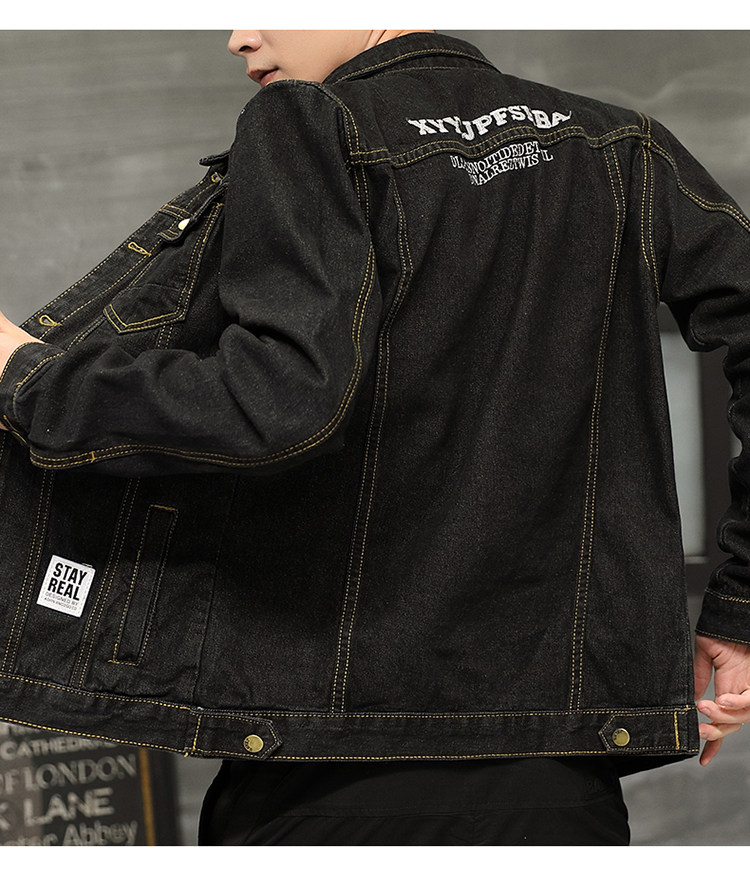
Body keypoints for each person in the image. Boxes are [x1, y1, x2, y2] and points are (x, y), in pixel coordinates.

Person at [0, 29, 748, 846]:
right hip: (562, 781)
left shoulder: (309, 123)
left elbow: (279, 399)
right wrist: (738, 612)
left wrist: (29, 377)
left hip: (330, 771)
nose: (239, 35)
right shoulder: (623, 146)